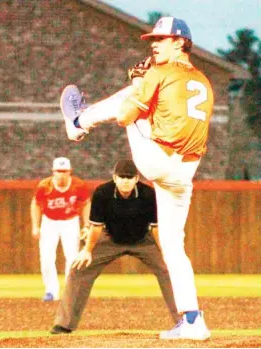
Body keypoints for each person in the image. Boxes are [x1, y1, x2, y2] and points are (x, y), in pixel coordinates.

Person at [59, 16, 213, 340]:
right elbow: (178, 116)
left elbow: (127, 116)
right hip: (184, 173)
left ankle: (78, 123)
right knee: (173, 246)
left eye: (161, 39)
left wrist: (141, 86)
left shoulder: (160, 72)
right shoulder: (203, 81)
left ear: (180, 42)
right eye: (152, 40)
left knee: (131, 99)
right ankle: (193, 321)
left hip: (160, 162)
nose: (153, 44)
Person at [50, 159, 180, 334]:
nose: (125, 180)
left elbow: (156, 228)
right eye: (122, 177)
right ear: (114, 178)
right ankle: (64, 324)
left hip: (143, 239)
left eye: (129, 177)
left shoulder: (149, 194)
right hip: (110, 238)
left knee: (170, 269)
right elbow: (96, 226)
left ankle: (184, 322)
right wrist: (87, 251)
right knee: (78, 269)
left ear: (137, 179)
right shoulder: (103, 193)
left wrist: (165, 253)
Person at [30, 157, 91, 301]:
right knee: (46, 257)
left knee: (72, 257)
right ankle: (51, 291)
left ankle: (70, 290)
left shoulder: (78, 185)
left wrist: (86, 225)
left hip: (70, 221)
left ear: (70, 172)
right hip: (49, 221)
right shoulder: (45, 186)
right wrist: (35, 226)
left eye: (64, 171)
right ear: (53, 172)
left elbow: (86, 203)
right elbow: (36, 204)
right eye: (58, 171)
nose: (61, 174)